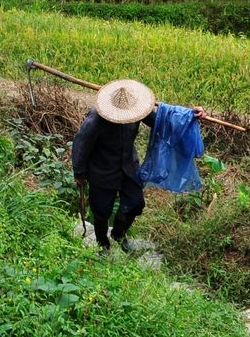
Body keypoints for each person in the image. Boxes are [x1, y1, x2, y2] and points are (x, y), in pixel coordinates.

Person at [71, 79, 204, 252]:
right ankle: (102, 243)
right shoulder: (96, 119)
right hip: (102, 170)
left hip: (128, 167)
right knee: (101, 211)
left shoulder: (136, 110)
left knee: (136, 203)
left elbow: (161, 120)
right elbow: (81, 144)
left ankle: (118, 234)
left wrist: (189, 115)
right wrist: (79, 173)